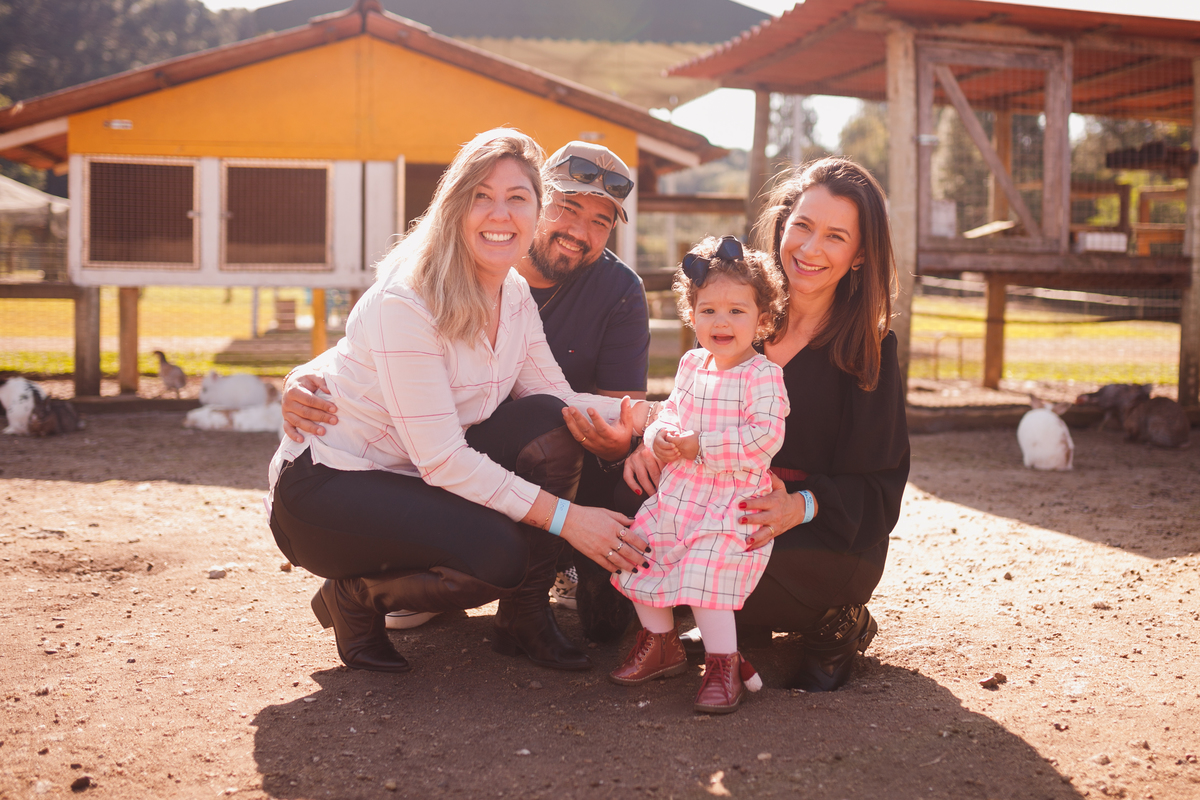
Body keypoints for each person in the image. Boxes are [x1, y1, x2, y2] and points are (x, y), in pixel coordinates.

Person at [266, 128, 655, 675]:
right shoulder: (407, 299)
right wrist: (571, 521)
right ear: (455, 205)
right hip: (332, 484)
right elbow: (444, 458)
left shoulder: (513, 293)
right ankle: (353, 595)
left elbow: (559, 399)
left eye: (516, 198)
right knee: (497, 557)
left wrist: (676, 419)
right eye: (482, 196)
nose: (501, 213)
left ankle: (523, 615)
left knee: (552, 420)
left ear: (531, 209)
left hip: (417, 474)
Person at [622, 157, 911, 692]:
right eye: (801, 226)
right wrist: (655, 442)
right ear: (782, 225)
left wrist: (797, 507)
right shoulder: (737, 312)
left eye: (835, 236)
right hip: (710, 497)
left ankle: (834, 622)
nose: (810, 248)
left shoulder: (869, 349)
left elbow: (880, 489)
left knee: (717, 563)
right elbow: (690, 403)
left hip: (814, 530)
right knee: (623, 553)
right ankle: (709, 628)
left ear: (860, 254)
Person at [608, 236, 789, 714]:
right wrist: (659, 438)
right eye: (708, 311)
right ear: (692, 316)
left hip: (730, 505)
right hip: (680, 497)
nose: (721, 322)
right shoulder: (691, 365)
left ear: (762, 319)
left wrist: (700, 446)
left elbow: (764, 438)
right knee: (637, 551)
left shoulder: (762, 376)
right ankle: (662, 643)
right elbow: (669, 413)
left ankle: (722, 664)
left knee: (708, 575)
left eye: (736, 311)